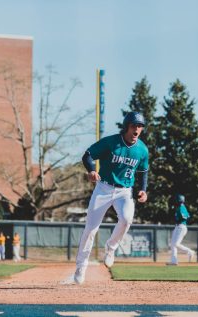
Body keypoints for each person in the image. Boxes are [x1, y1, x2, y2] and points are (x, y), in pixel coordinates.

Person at [73, 111, 149, 284]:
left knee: (127, 220)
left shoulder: (142, 149)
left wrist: (143, 190)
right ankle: (81, 267)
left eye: (140, 126)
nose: (137, 129)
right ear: (126, 127)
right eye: (133, 125)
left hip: (125, 191)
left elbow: (143, 171)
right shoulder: (111, 142)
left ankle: (111, 247)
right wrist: (91, 170)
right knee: (91, 229)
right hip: (104, 188)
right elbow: (88, 155)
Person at [167, 194, 195, 265]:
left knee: (176, 244)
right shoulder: (179, 207)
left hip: (181, 227)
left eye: (176, 199)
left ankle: (190, 251)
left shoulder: (182, 207)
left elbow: (186, 216)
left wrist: (179, 218)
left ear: (179, 200)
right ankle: (174, 261)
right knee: (173, 244)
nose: (175, 200)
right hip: (178, 227)